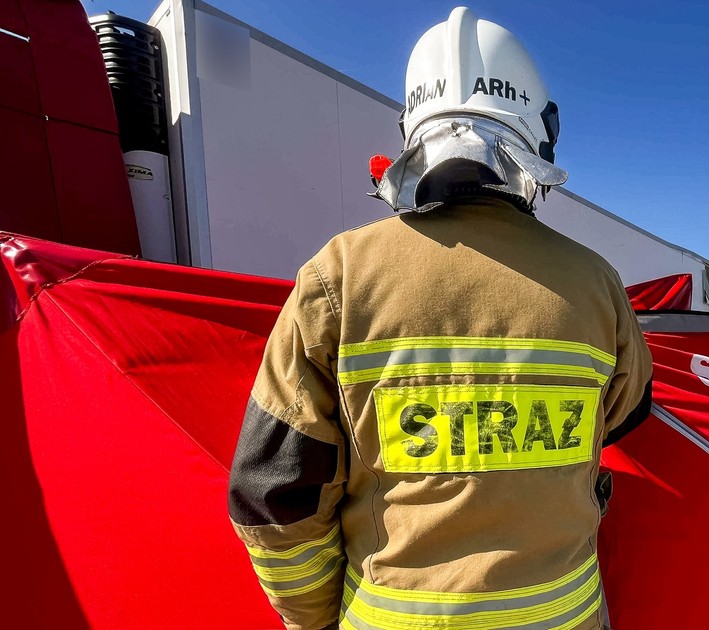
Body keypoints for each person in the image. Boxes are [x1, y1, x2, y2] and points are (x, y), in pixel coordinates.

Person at [226, 7, 654, 629]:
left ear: (411, 130)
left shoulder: (338, 275)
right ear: (542, 130)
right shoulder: (596, 282)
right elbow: (627, 410)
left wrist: (316, 619)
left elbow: (273, 489)